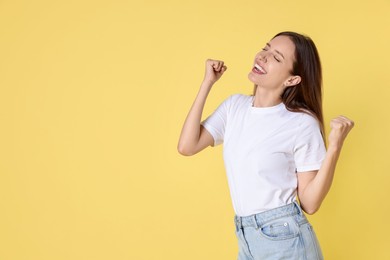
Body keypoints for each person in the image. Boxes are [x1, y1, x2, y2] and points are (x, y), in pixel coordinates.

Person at [177, 31, 354, 260]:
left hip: (285, 239)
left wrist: (335, 146)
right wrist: (207, 83)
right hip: (246, 236)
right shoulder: (234, 107)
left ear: (292, 80)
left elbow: (310, 203)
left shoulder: (301, 123)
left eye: (277, 57)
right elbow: (187, 146)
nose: (263, 56)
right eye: (266, 48)